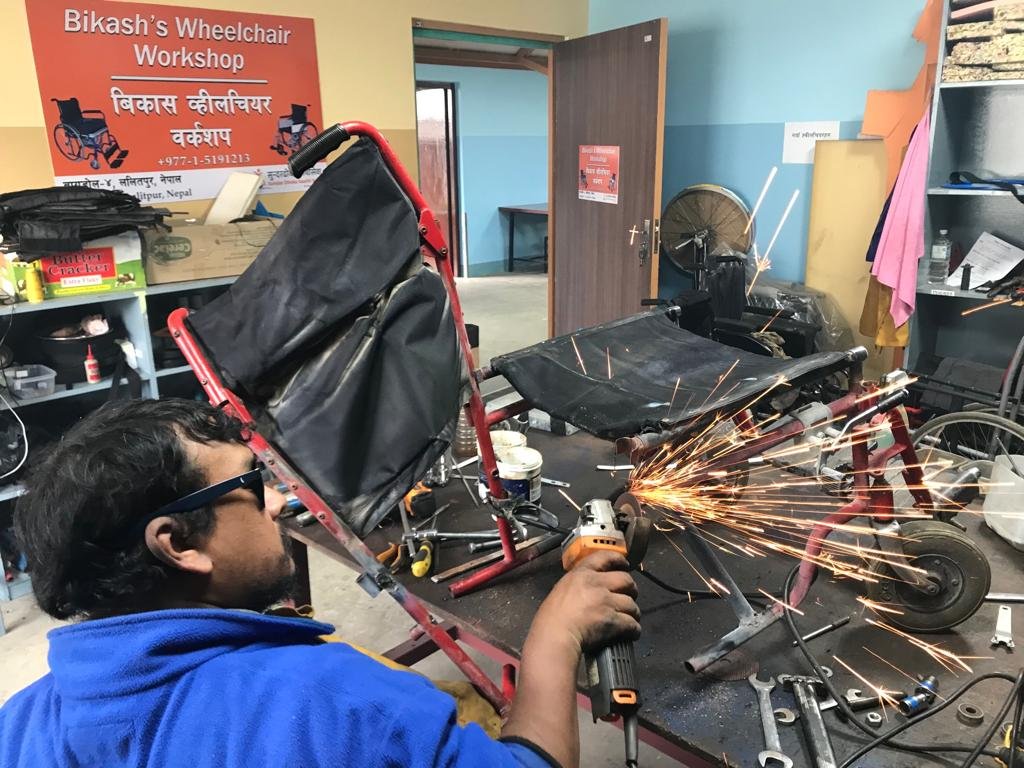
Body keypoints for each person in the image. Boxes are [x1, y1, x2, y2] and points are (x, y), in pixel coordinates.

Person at [0, 398, 640, 768]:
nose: (278, 502)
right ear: (177, 543)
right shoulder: (330, 704)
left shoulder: (18, 724)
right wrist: (555, 636)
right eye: (251, 484)